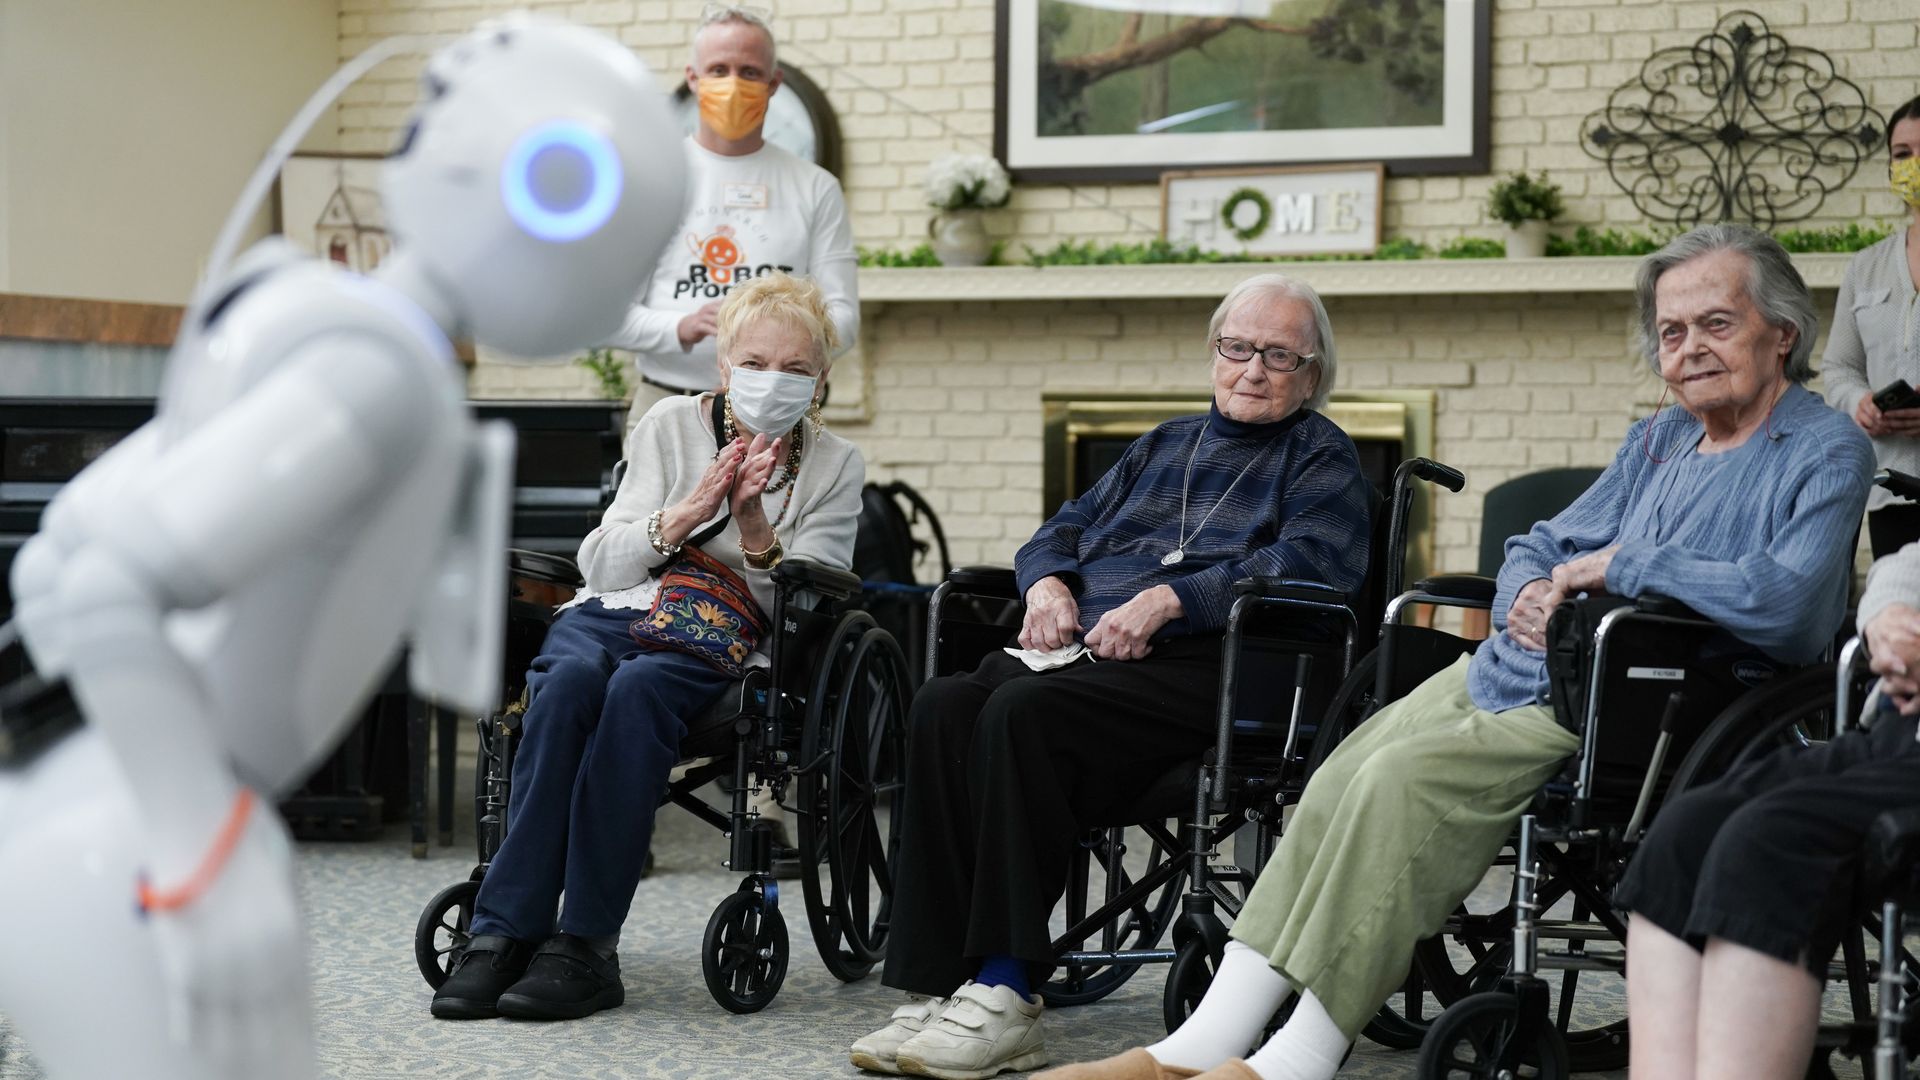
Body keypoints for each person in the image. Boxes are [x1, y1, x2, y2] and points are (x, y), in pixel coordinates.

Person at [1039, 224, 1875, 1080]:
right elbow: (1544, 540)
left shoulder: (1825, 449)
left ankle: (1298, 1057)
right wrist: (1525, 593)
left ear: (1783, 332)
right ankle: (1197, 1046)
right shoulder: (1658, 440)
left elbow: (1791, 606)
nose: (1690, 349)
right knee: (1339, 778)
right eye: (1671, 332)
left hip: (1640, 707)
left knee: (1398, 789)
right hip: (1512, 670)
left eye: (1716, 324)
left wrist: (1630, 564)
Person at [850, 274, 1375, 1080]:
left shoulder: (1321, 457)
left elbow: (1311, 568)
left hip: (1224, 667)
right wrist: (1048, 583)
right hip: (1090, 657)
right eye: (1238, 349)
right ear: (1213, 353)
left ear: (1312, 374)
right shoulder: (1163, 444)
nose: (1253, 370)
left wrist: (1175, 597)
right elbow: (1060, 528)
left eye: (1279, 356)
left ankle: (1007, 988)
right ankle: (941, 985)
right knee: (944, 703)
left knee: (1025, 713)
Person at [431, 273, 863, 1022]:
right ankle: (503, 932)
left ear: (821, 381)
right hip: (618, 607)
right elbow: (601, 562)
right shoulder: (668, 425)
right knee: (564, 687)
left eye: (796, 369)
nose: (772, 381)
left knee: (636, 694)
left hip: (718, 631)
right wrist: (692, 510)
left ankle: (587, 945)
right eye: (755, 363)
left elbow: (807, 600)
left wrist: (753, 524)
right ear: (725, 366)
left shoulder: (835, 466)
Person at [1615, 540, 1920, 1080]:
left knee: (1769, 841)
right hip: (1894, 734)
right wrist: (1892, 619)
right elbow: (1906, 567)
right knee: (1684, 830)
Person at [605, 2, 858, 420]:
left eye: (750, 72)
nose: (734, 84)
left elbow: (844, 319)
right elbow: (606, 313)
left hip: (780, 415)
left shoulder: (816, 187)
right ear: (693, 78)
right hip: (668, 407)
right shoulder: (650, 182)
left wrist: (780, 344)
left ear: (774, 82)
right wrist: (679, 327)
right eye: (719, 70)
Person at [1824, 95, 1920, 558]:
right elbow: (1838, 368)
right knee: (1896, 620)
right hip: (1892, 491)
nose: (1913, 164)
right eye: (1902, 154)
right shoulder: (1866, 267)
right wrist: (1860, 403)